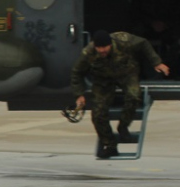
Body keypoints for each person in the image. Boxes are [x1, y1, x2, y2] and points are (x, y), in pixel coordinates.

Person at [72, 30, 170, 159]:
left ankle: (123, 126)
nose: (101, 50)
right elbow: (76, 72)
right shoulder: (88, 52)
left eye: (104, 47)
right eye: (99, 47)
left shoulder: (124, 40)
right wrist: (79, 94)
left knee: (134, 95)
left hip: (127, 74)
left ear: (110, 44)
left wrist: (156, 62)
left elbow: (144, 43)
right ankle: (110, 145)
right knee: (98, 114)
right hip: (103, 80)